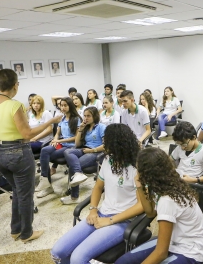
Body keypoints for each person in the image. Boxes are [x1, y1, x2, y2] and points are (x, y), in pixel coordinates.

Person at [0, 69, 62, 243]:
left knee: (17, 190)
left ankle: (15, 229)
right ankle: (26, 233)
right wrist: (50, 122)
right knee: (25, 194)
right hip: (17, 152)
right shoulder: (15, 105)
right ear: (16, 86)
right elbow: (27, 133)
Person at [51, 124, 143, 263]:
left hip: (122, 221)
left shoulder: (137, 168)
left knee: (78, 258)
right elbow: (98, 187)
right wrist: (93, 210)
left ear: (118, 144)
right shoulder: (108, 160)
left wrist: (110, 220)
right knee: (58, 252)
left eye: (107, 142)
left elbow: (142, 205)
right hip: (101, 213)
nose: (104, 145)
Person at [115, 147, 203, 264]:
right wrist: (139, 185)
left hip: (190, 252)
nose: (136, 173)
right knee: (122, 262)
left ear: (148, 174)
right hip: (171, 242)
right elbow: (150, 212)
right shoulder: (169, 182)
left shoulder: (167, 200)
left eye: (138, 170)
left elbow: (161, 253)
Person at [36, 97, 81, 198]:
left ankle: (47, 182)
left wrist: (59, 140)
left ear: (70, 106)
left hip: (71, 147)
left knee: (47, 155)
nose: (63, 107)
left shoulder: (77, 119)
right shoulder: (63, 118)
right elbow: (57, 133)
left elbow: (76, 138)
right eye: (61, 105)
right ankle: (45, 181)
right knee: (45, 150)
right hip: (61, 144)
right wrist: (55, 140)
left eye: (65, 105)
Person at [61, 107, 106, 204]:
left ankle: (74, 197)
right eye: (84, 116)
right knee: (68, 151)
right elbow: (77, 144)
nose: (86, 118)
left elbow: (106, 145)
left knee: (73, 166)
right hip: (84, 149)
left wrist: (92, 150)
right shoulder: (85, 127)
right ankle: (78, 174)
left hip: (96, 152)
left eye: (88, 116)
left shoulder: (101, 127)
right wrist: (80, 130)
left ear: (95, 116)